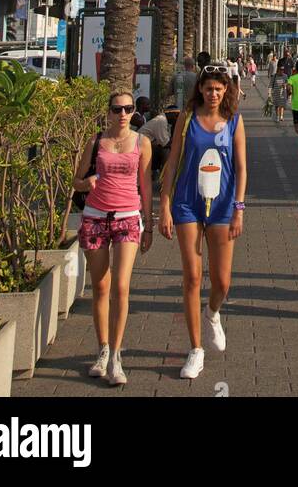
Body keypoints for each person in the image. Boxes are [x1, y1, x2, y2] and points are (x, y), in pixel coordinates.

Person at [159, 62, 247, 379]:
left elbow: (241, 168)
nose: (213, 94)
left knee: (222, 282)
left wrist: (239, 208)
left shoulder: (234, 120)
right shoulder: (187, 119)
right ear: (200, 88)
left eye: (218, 89)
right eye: (208, 88)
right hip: (187, 203)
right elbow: (171, 163)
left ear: (226, 91)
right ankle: (195, 350)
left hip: (223, 204)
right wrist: (165, 205)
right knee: (192, 277)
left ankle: (212, 313)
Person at [72, 90, 153, 385]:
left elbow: (145, 185)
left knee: (121, 286)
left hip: (128, 218)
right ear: (107, 112)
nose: (122, 114)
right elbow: (76, 181)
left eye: (128, 109)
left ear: (133, 112)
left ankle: (117, 357)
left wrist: (150, 223)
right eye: (117, 109)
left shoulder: (142, 143)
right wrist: (87, 181)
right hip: (95, 216)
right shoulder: (95, 142)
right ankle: (103, 350)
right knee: (100, 287)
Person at [139, 107, 172, 177]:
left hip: (147, 145)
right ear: (170, 114)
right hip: (140, 146)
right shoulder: (161, 120)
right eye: (176, 115)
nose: (176, 118)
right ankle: (166, 174)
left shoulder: (165, 121)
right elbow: (165, 143)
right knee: (166, 150)